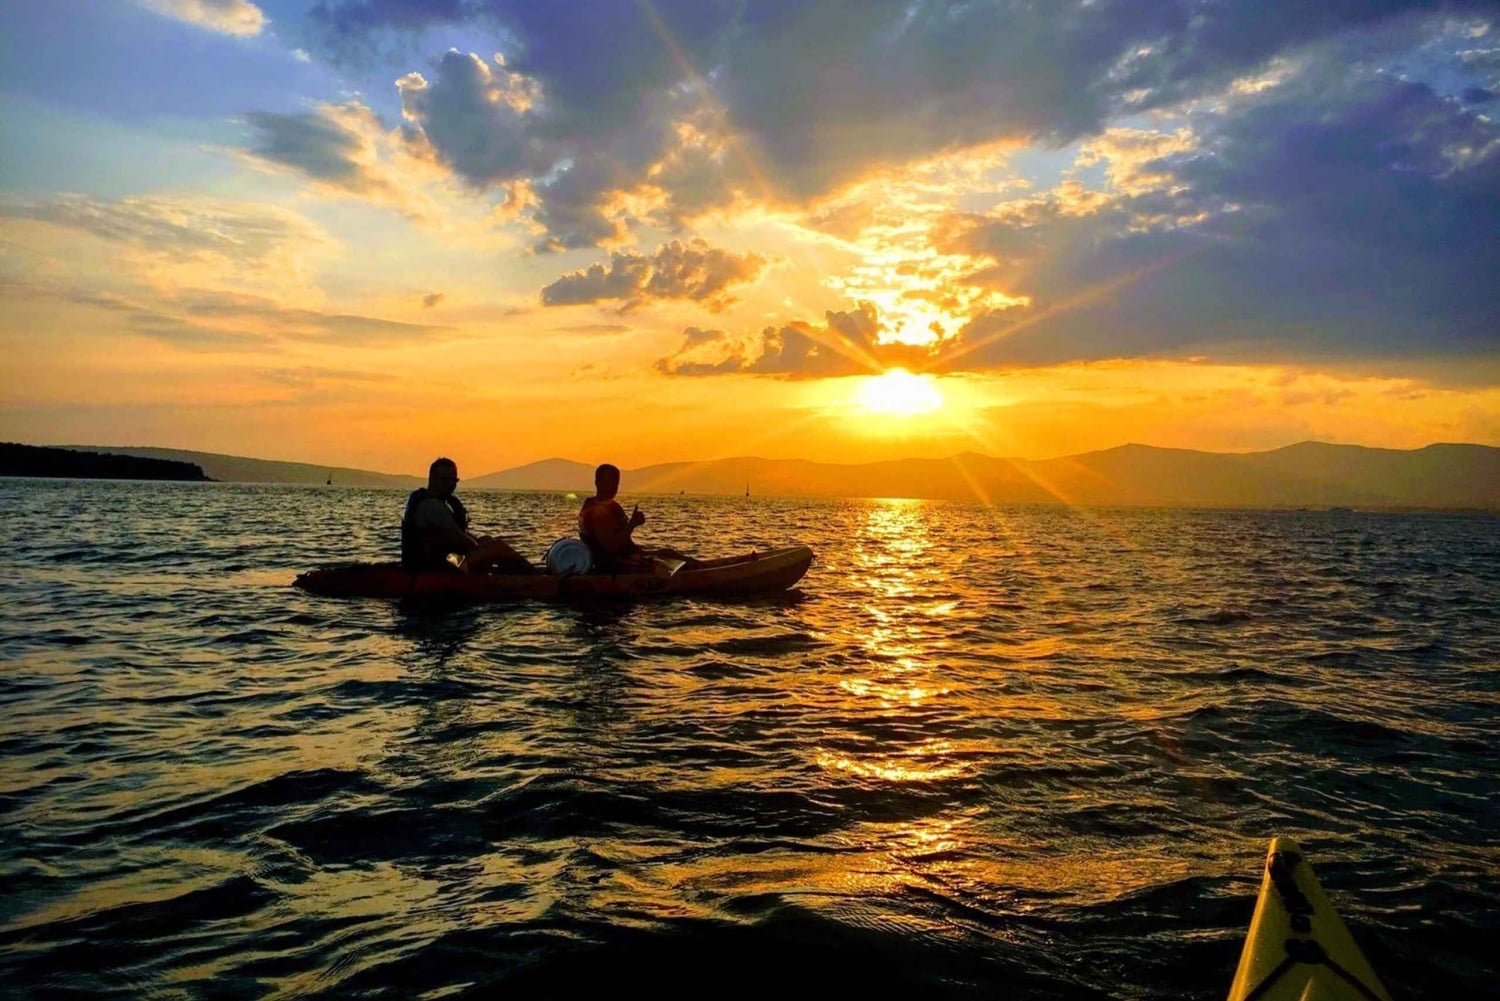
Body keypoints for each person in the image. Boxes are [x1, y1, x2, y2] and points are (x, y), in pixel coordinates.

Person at [401, 457, 536, 574]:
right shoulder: (431, 507)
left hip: (446, 560)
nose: (450, 484)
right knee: (498, 546)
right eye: (445, 480)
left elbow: (457, 535)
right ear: (432, 479)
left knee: (487, 540)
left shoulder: (435, 502)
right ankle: (535, 577)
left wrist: (483, 544)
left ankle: (517, 575)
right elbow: (458, 538)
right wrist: (483, 549)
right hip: (439, 566)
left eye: (454, 480)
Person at [578, 463, 695, 572]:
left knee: (667, 553)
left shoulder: (600, 505)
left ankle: (704, 567)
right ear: (597, 482)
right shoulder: (599, 513)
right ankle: (703, 573)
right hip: (617, 563)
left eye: (615, 483)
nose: (613, 487)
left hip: (626, 556)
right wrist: (632, 524)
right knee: (672, 558)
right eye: (609, 482)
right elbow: (611, 547)